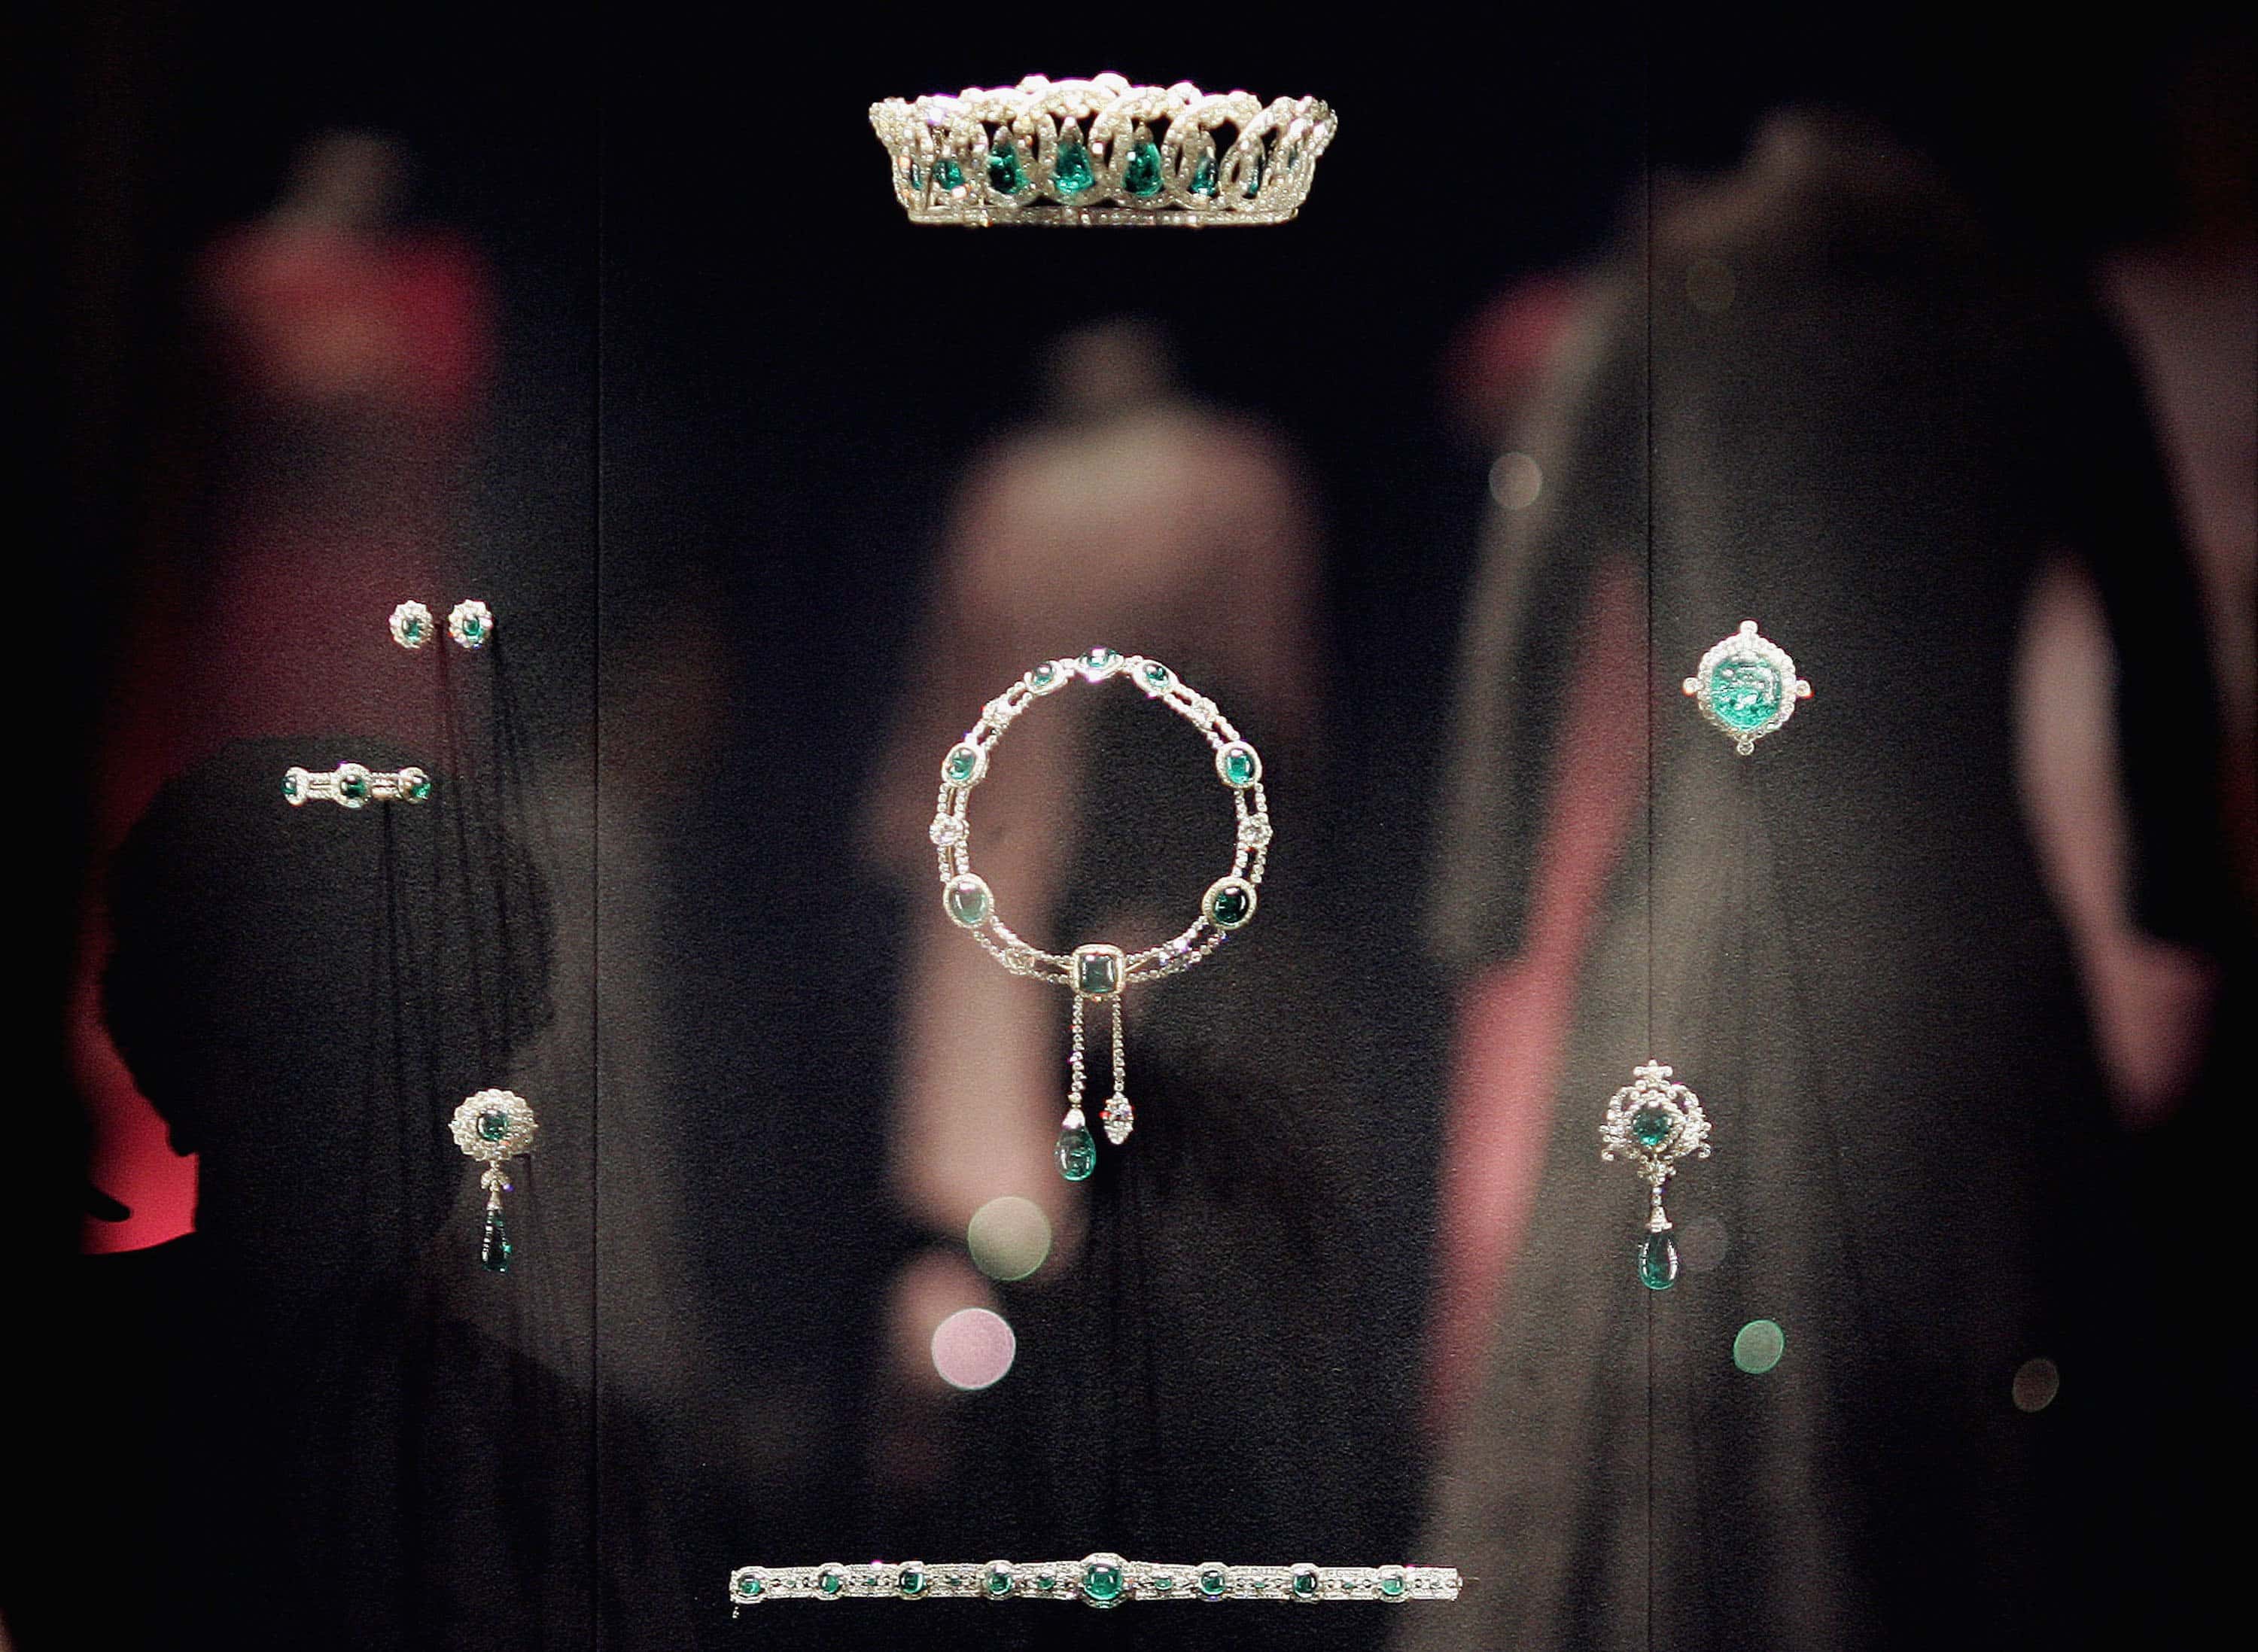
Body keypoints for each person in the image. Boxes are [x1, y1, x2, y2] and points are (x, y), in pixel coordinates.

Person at [1405, 113, 2236, 1651]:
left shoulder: (1665, 304)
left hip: (1711, 924)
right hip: (1955, 928)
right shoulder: (2029, 309)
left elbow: (1523, 613)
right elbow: (2157, 620)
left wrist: (1485, 899)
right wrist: (2177, 881)